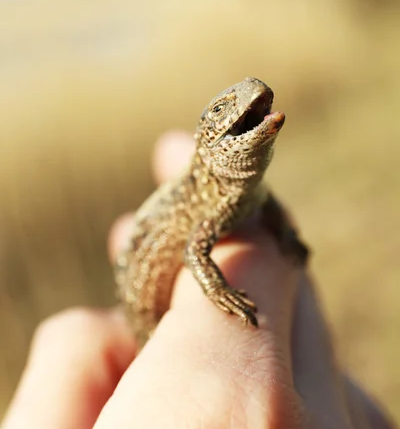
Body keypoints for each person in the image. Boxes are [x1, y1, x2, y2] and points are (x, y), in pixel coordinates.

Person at [2, 132, 395, 428]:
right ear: (210, 144)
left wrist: (286, 235)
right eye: (228, 112)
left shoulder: (249, 190)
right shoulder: (210, 193)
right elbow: (195, 250)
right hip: (145, 310)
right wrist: (219, 291)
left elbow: (264, 201)